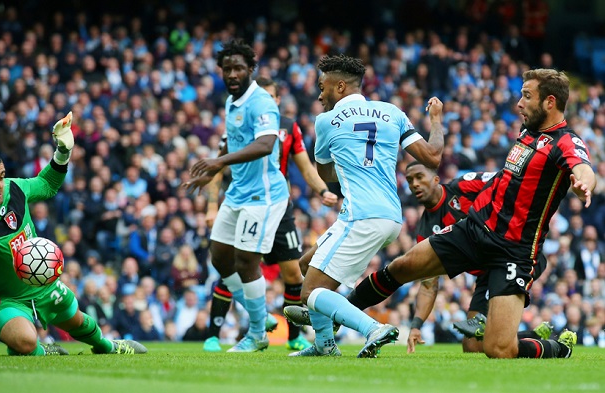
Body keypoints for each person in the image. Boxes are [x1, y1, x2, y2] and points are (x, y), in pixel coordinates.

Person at [312, 68, 594, 359]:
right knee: (401, 267)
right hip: (473, 230)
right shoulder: (528, 132)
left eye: (526, 96)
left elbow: (582, 166)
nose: (519, 104)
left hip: (513, 250)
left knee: (498, 349)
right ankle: (334, 318)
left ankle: (555, 348)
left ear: (550, 102)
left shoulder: (565, 141)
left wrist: (584, 181)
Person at [288, 55, 445, 358]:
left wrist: (351, 164)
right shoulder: (392, 112)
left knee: (309, 293)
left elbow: (324, 173)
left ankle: (373, 328)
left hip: (361, 214)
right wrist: (436, 120)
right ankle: (324, 345)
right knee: (306, 264)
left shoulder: (325, 121)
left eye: (323, 88)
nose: (320, 95)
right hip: (390, 216)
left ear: (341, 86)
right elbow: (433, 156)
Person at [0, 112, 147, 356]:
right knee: (25, 343)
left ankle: (109, 347)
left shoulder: (15, 189)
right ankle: (41, 351)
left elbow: (47, 185)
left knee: (77, 320)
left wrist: (63, 152)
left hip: (44, 286)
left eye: (1, 177)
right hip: (4, 300)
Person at [202, 76, 338, 352]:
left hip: (279, 207)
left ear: (278, 100)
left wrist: (322, 190)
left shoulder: (289, 128)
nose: (267, 101)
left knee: (292, 273)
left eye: (272, 96)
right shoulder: (240, 120)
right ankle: (214, 335)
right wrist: (212, 205)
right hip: (247, 202)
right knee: (235, 262)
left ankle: (292, 336)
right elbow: (217, 165)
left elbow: (305, 166)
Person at [185, 40, 289, 352]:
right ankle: (261, 316)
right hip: (238, 193)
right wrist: (212, 170)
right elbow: (232, 141)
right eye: (227, 68)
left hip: (264, 196)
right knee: (219, 256)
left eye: (238, 68)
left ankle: (257, 333)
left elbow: (265, 144)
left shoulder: (261, 103)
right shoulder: (232, 102)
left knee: (246, 261)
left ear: (250, 70)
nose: (232, 73)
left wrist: (219, 162)